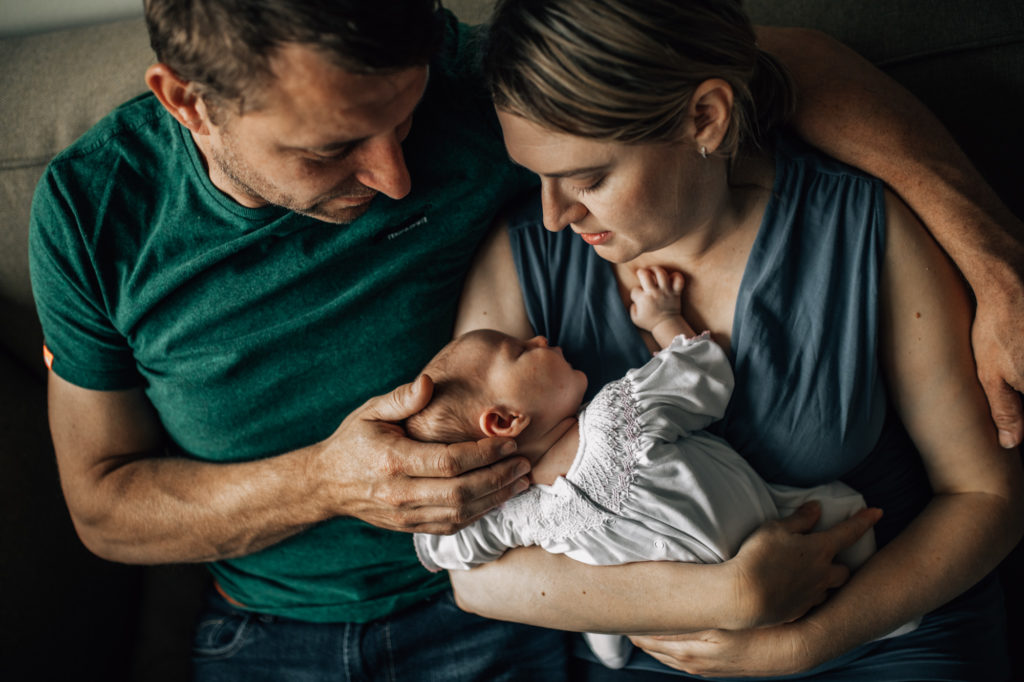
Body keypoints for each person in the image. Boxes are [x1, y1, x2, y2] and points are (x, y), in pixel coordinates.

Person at [26, 0, 1022, 679]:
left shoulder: (478, 84)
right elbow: (104, 509)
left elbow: (751, 68)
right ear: (186, 101)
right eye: (332, 148)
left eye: (405, 123)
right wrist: (329, 482)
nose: (395, 176)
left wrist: (989, 252)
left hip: (519, 626)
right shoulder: (93, 210)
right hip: (272, 628)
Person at [443, 0, 1024, 679]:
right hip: (659, 654)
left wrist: (798, 643)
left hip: (884, 630)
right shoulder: (523, 262)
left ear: (705, 118)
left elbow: (987, 498)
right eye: (535, 177)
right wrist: (727, 600)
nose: (554, 215)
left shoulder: (859, 231)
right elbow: (474, 574)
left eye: (589, 179)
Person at [408, 266, 915, 669]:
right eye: (519, 351)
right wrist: (438, 489)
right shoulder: (515, 511)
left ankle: (875, 619)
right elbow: (447, 544)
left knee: (837, 517)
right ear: (505, 420)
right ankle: (614, 637)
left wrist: (663, 321)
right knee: (599, 607)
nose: (539, 339)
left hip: (768, 529)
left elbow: (703, 371)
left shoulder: (621, 413)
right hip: (680, 617)